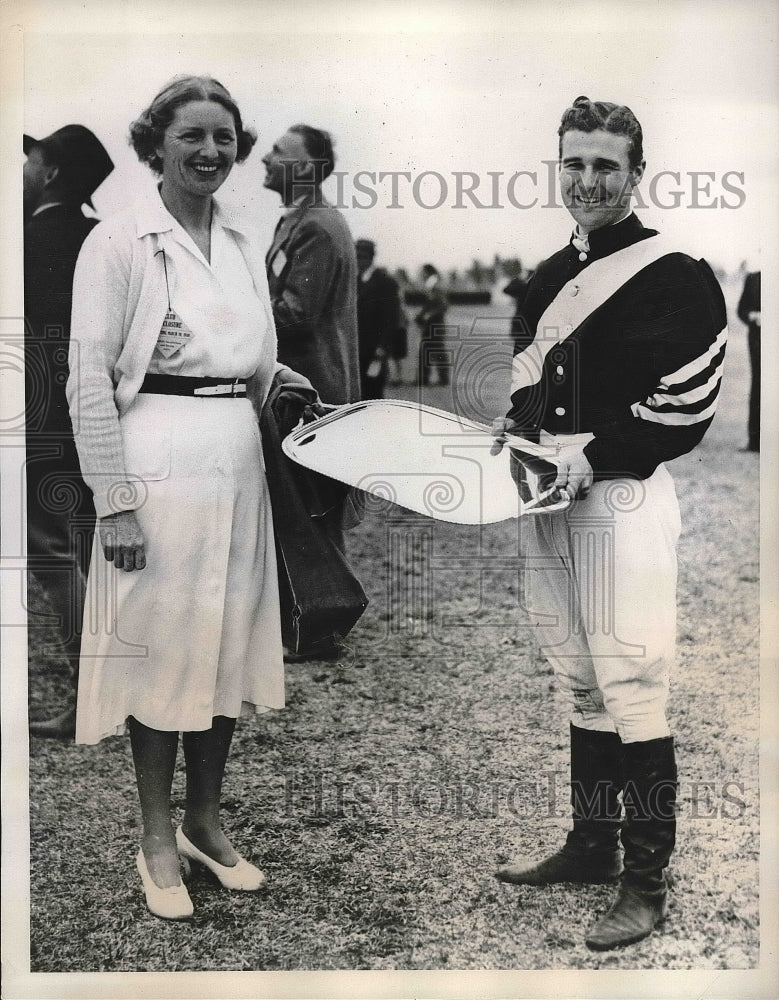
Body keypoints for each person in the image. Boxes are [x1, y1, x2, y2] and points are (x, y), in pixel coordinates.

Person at [66, 76, 314, 921]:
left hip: (236, 468)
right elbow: (88, 382)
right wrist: (115, 501)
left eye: (223, 138)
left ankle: (207, 823)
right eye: (191, 137)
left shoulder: (245, 241)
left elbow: (251, 361)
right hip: (156, 468)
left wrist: (290, 386)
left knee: (222, 645)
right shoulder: (121, 242)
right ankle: (155, 836)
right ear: (155, 145)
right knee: (162, 648)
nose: (209, 152)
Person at [491, 96, 727, 950]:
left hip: (621, 493)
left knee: (631, 680)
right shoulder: (549, 273)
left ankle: (644, 880)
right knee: (579, 675)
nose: (587, 179)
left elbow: (688, 404)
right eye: (574, 163)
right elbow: (522, 369)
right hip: (548, 495)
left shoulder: (676, 273)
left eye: (604, 165)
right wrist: (520, 428)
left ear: (634, 173)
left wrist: (592, 451)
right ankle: (590, 846)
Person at [24, 125, 114, 739]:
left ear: (52, 173)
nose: (21, 168)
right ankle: (115, 690)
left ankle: (92, 697)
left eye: (30, 159)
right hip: (91, 419)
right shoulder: (95, 235)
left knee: (54, 553)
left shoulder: (35, 238)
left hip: (45, 422)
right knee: (89, 551)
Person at [262, 124, 360, 405]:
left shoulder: (316, 227)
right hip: (303, 387)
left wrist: (237, 304)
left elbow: (295, 315)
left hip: (310, 391)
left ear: (305, 169)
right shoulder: (301, 221)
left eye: (277, 152)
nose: (266, 158)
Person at [355, 238, 405, 400]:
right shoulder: (355, 281)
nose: (357, 261)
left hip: (375, 350)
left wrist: (383, 346)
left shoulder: (385, 282)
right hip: (357, 348)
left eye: (360, 257)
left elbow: (391, 318)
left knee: (374, 392)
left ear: (369, 258)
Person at [737, 270, 760, 452]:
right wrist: (752, 316)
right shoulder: (752, 279)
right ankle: (755, 442)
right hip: (757, 342)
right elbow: (741, 310)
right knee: (758, 386)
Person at [415, 264, 449, 387]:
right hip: (431, 324)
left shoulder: (436, 285)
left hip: (435, 324)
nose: (421, 274)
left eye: (423, 272)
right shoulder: (432, 284)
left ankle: (441, 379)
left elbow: (442, 306)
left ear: (428, 272)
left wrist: (427, 315)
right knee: (427, 351)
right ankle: (425, 379)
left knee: (436, 351)